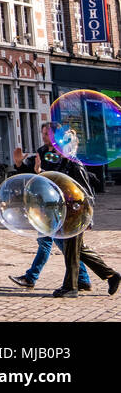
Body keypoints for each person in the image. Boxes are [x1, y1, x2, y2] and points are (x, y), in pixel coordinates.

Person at [11, 123, 120, 298]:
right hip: (60, 211)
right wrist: (27, 167)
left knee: (71, 249)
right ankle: (111, 275)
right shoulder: (56, 160)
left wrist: (88, 218)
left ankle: (71, 287)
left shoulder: (74, 164)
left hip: (75, 212)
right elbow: (49, 182)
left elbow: (87, 192)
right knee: (78, 249)